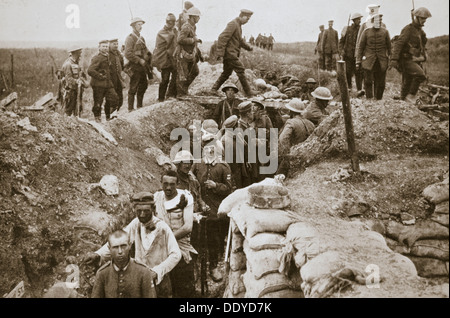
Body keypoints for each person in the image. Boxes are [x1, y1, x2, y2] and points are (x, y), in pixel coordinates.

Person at [83, 192, 181, 298]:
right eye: (139, 211)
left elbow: (176, 254)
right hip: (139, 279)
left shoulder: (162, 227)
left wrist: (157, 271)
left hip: (159, 282)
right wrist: (98, 254)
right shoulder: (135, 224)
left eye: (146, 211)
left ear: (153, 209)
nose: (142, 214)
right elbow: (118, 241)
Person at [191, 134, 232, 282]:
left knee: (214, 238)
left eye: (212, 147)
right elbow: (191, 180)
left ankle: (213, 266)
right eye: (206, 147)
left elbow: (229, 189)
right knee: (196, 238)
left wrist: (216, 186)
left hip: (216, 209)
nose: (208, 150)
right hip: (200, 208)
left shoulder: (223, 166)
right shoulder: (197, 165)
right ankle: (196, 268)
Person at [154, 170, 197, 298]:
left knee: (184, 289)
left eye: (172, 184)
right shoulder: (156, 198)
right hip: (160, 248)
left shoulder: (185, 197)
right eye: (165, 183)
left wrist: (168, 240)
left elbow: (187, 227)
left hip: (180, 247)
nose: (168, 187)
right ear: (161, 183)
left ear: (177, 183)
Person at [91, 230, 157, 298]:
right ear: (109, 248)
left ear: (130, 245)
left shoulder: (143, 272)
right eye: (115, 247)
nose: (120, 251)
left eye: (123, 246)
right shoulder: (102, 273)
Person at [390, 7, 432, 104]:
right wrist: (394, 59)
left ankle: (404, 100)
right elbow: (398, 44)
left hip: (414, 59)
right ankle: (411, 96)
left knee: (408, 80)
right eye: (422, 18)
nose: (424, 21)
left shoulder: (420, 31)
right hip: (405, 59)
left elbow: (422, 44)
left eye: (425, 19)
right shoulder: (408, 29)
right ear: (416, 18)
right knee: (420, 75)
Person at [211, 9, 255, 97]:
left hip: (231, 54)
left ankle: (213, 89)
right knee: (241, 70)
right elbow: (222, 37)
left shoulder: (238, 25)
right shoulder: (233, 24)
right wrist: (220, 53)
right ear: (243, 16)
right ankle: (249, 93)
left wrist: (249, 47)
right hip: (230, 54)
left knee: (227, 73)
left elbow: (240, 40)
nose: (247, 21)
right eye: (247, 19)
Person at [356, 13, 391, 100]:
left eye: (379, 21)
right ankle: (369, 98)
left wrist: (391, 60)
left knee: (381, 83)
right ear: (372, 22)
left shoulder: (385, 32)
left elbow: (390, 47)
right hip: (368, 60)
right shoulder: (366, 32)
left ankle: (378, 99)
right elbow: (360, 47)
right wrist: (358, 61)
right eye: (376, 21)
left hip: (381, 60)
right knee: (368, 81)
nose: (378, 22)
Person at [277, 99, 315, 177]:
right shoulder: (311, 123)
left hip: (292, 157)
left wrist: (286, 154)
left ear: (291, 112)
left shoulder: (291, 122)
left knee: (278, 177)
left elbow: (282, 138)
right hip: (306, 157)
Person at [87, 40, 119, 122]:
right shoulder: (97, 58)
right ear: (99, 47)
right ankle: (97, 119)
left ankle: (111, 117)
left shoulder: (107, 56)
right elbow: (90, 70)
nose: (105, 48)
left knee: (114, 98)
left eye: (106, 46)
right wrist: (100, 76)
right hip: (98, 85)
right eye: (103, 46)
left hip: (108, 84)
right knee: (98, 103)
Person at [124, 17, 151, 111]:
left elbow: (145, 50)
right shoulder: (130, 38)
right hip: (134, 66)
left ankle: (139, 106)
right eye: (138, 25)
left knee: (143, 85)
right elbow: (127, 53)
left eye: (141, 25)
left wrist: (148, 56)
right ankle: (130, 108)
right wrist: (139, 60)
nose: (140, 27)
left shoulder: (141, 38)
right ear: (133, 26)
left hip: (142, 66)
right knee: (133, 87)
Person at [176, 6, 202, 97]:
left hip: (190, 54)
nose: (199, 18)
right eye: (198, 16)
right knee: (183, 75)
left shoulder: (193, 26)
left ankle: (184, 90)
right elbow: (180, 39)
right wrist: (193, 40)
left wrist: (195, 40)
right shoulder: (186, 27)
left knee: (195, 72)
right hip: (184, 55)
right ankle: (180, 94)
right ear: (193, 17)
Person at [153, 13, 178, 102]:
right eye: (170, 22)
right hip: (165, 59)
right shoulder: (161, 33)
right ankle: (161, 98)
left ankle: (170, 94)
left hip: (173, 58)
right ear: (167, 22)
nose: (172, 24)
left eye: (173, 22)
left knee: (176, 76)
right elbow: (163, 46)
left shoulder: (175, 31)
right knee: (165, 79)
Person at [61, 48, 89, 117]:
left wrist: (83, 81)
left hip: (77, 89)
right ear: (74, 53)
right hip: (70, 90)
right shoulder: (68, 64)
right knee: (69, 108)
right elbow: (68, 78)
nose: (80, 55)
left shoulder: (77, 63)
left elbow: (81, 75)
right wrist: (77, 81)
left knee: (78, 108)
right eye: (79, 53)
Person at [339, 13, 363, 92]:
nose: (360, 21)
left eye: (360, 19)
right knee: (348, 72)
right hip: (348, 55)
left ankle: (359, 89)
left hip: (357, 55)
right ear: (354, 20)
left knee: (358, 72)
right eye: (358, 19)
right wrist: (342, 51)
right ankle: (349, 87)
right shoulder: (347, 29)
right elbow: (341, 42)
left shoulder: (361, 29)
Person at [107, 39, 125, 115]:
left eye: (117, 44)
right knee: (111, 99)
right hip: (110, 80)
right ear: (110, 45)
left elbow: (122, 65)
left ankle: (115, 113)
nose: (116, 45)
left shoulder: (118, 54)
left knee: (120, 98)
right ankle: (109, 116)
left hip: (118, 80)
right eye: (114, 44)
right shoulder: (107, 55)